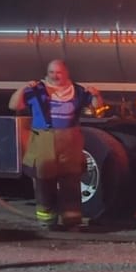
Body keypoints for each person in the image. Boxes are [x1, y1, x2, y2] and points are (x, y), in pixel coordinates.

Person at [10, 60, 101, 231]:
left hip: (70, 142)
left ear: (66, 73)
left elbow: (96, 108)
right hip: (45, 141)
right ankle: (47, 220)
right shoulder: (37, 90)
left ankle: (72, 221)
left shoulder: (77, 91)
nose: (54, 76)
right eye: (51, 72)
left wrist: (96, 95)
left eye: (58, 72)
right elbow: (14, 105)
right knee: (45, 182)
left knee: (71, 182)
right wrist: (22, 89)